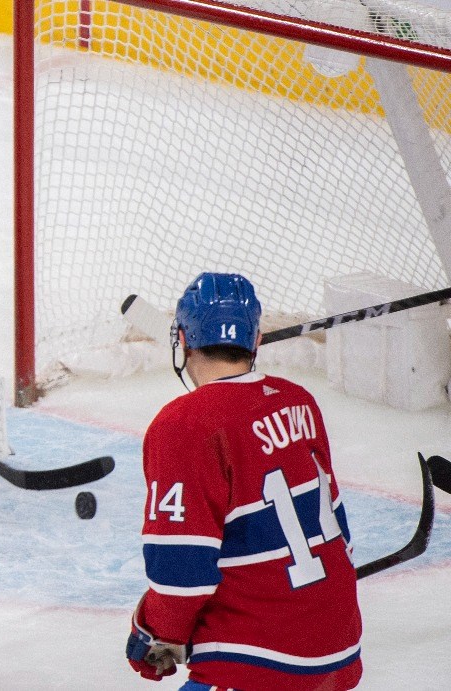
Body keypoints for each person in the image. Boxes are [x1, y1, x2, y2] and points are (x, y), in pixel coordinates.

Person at [125, 272, 362, 690]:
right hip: (339, 653)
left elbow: (182, 572)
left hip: (260, 663)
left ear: (182, 340)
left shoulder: (184, 424)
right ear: (255, 342)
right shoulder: (298, 401)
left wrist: (156, 633)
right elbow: (341, 539)